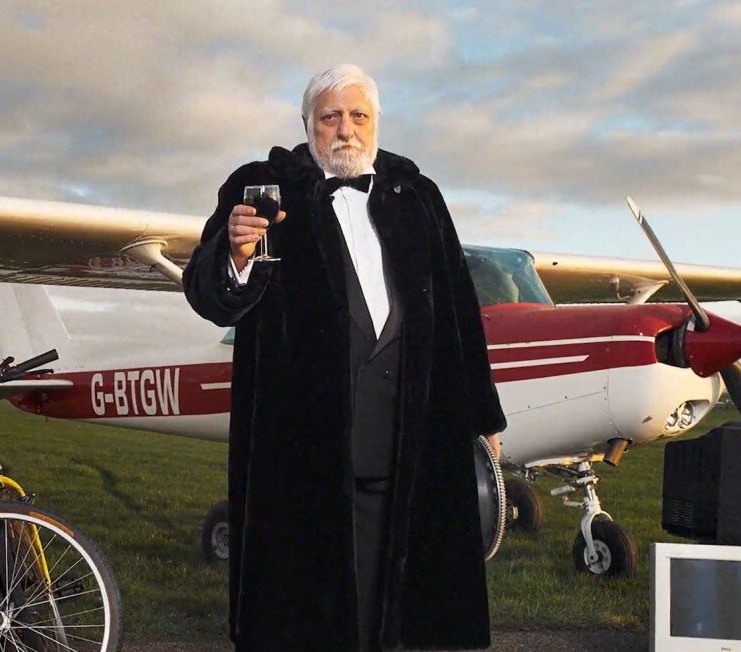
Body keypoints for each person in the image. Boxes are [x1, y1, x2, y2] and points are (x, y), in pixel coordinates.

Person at [183, 64, 506, 652]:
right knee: (312, 611)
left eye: (358, 116)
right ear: (307, 123)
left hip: (410, 436)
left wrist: (484, 418)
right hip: (303, 450)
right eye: (330, 116)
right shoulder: (261, 189)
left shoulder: (418, 195)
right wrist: (235, 253)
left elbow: (459, 308)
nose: (345, 129)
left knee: (402, 601)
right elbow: (209, 296)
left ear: (376, 122)